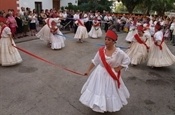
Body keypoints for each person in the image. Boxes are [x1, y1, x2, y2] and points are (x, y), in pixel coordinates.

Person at [79, 30, 130, 113]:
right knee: (99, 89)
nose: (106, 41)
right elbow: (95, 61)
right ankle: (98, 105)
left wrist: (119, 68)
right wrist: (88, 71)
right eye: (106, 39)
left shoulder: (119, 52)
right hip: (99, 73)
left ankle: (107, 105)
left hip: (111, 74)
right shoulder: (101, 51)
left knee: (109, 91)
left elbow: (127, 60)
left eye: (109, 40)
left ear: (114, 42)